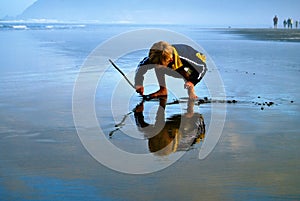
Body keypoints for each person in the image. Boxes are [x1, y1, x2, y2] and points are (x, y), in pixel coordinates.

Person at [134, 41, 207, 100]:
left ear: (170, 60)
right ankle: (162, 90)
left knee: (185, 70)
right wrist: (139, 83)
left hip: (191, 67)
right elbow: (141, 68)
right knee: (158, 67)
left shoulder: (184, 57)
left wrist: (192, 82)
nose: (156, 67)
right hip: (170, 64)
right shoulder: (155, 57)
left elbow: (203, 67)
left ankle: (191, 90)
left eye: (159, 64)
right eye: (154, 64)